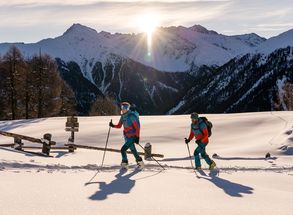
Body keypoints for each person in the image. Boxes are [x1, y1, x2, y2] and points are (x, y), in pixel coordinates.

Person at [109, 102, 144, 169]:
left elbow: (137, 127)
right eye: (122, 107)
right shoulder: (123, 116)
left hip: (132, 136)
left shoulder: (131, 116)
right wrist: (113, 125)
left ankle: (125, 163)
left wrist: (137, 137)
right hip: (126, 136)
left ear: (128, 108)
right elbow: (119, 126)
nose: (123, 109)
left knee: (123, 150)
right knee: (133, 150)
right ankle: (140, 162)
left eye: (125, 107)